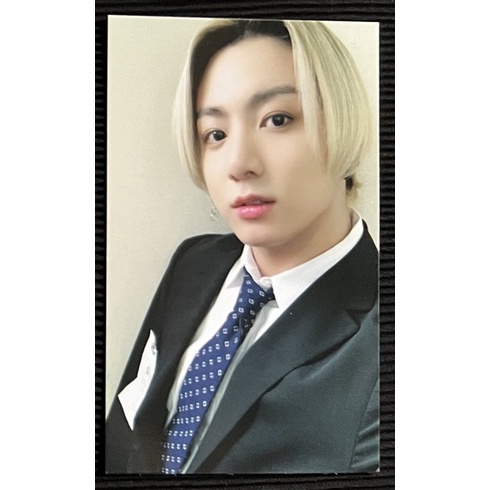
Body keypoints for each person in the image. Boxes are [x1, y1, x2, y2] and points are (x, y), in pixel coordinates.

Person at [106, 18, 379, 474]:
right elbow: (125, 435)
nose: (238, 164)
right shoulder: (195, 262)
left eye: (278, 119)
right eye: (216, 134)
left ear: (341, 119)